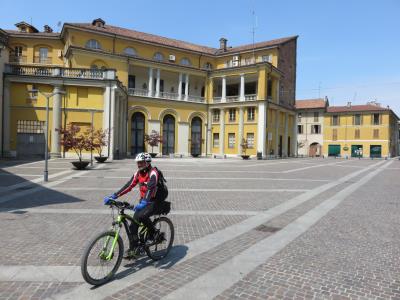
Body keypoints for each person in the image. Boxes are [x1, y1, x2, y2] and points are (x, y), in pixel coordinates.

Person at [104, 152, 160, 258]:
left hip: (153, 201)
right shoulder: (138, 173)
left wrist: (144, 202)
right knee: (133, 225)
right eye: (138, 163)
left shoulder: (153, 172)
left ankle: (153, 234)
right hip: (143, 201)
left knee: (142, 216)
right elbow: (129, 185)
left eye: (141, 162)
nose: (139, 165)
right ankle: (133, 249)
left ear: (147, 163)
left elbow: (151, 187)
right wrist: (114, 196)